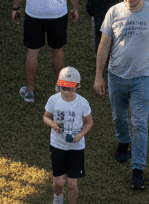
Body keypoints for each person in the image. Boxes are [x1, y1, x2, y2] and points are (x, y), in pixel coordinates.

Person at [93, 0, 149, 191]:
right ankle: (123, 141)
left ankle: (137, 169)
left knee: (140, 123)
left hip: (143, 78)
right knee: (118, 116)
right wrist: (98, 75)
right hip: (116, 75)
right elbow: (104, 45)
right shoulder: (113, 12)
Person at [44, 67, 93, 204]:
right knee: (58, 182)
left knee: (72, 183)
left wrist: (80, 135)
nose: (65, 91)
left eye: (69, 88)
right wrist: (53, 124)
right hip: (57, 146)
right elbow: (46, 117)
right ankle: (58, 198)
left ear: (77, 87)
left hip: (76, 148)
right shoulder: (53, 100)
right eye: (63, 88)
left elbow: (89, 122)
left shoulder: (82, 103)